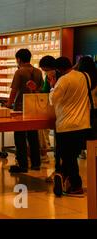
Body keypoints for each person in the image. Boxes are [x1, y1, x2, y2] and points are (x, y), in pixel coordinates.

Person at [49, 57, 91, 197]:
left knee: (67, 158)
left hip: (66, 125)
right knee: (72, 156)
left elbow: (53, 100)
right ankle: (66, 183)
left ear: (58, 69)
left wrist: (52, 86)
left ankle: (75, 186)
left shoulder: (63, 80)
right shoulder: (85, 77)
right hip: (83, 124)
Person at [6, 49, 43, 173]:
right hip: (34, 109)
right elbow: (41, 89)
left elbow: (14, 91)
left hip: (20, 108)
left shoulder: (19, 72)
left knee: (20, 136)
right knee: (33, 136)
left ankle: (22, 165)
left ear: (19, 59)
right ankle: (36, 163)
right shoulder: (38, 72)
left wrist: (8, 104)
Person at [38, 55, 59, 163]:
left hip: (55, 109)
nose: (45, 73)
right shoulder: (50, 77)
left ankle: (45, 153)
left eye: (45, 70)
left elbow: (47, 92)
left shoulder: (55, 77)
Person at [77, 55, 97, 142]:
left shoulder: (79, 77)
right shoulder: (96, 76)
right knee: (94, 133)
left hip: (82, 109)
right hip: (95, 108)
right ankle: (93, 152)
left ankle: (83, 151)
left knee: (83, 132)